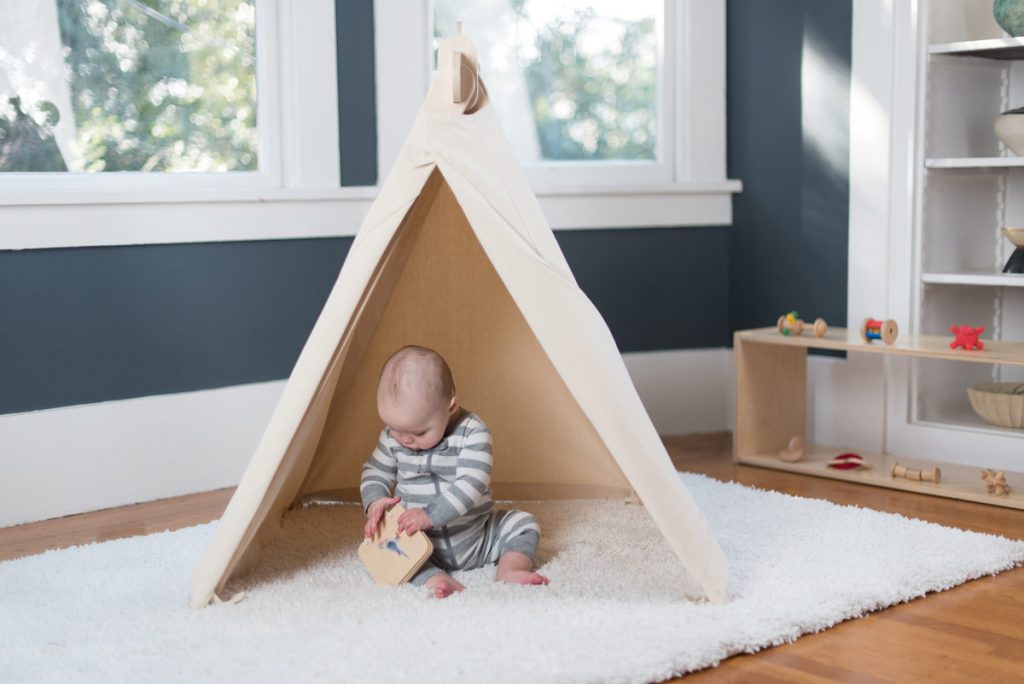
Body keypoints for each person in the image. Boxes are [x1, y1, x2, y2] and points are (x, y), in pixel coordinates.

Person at [361, 345, 549, 598]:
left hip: (478, 534)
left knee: (524, 523)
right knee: (383, 554)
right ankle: (434, 577)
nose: (405, 440)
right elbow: (376, 471)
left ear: (451, 407)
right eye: (394, 429)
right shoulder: (393, 437)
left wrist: (430, 514)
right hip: (420, 541)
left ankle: (510, 568)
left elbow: (472, 483)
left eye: (419, 433)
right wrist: (375, 501)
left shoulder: (473, 431)